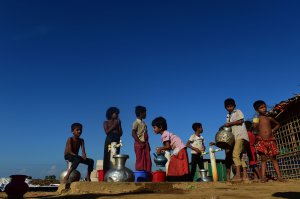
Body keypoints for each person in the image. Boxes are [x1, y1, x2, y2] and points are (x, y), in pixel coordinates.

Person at [252, 100, 284, 182]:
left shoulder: (269, 118)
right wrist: (255, 124)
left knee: (274, 159)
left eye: (264, 107)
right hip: (261, 141)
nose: (264, 109)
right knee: (263, 159)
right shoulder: (257, 119)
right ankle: (263, 177)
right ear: (257, 110)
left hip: (270, 140)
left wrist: (273, 130)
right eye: (261, 108)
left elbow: (278, 124)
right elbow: (254, 129)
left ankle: (279, 177)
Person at [152, 116, 189, 181]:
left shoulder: (164, 134)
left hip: (179, 149)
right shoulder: (165, 133)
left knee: (177, 165)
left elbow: (168, 146)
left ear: (160, 127)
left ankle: (178, 179)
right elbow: (168, 147)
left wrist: (160, 149)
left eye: (154, 127)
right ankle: (177, 178)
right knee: (175, 165)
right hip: (178, 149)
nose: (153, 129)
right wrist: (162, 149)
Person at [223, 98, 249, 181]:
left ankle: (238, 175)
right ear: (225, 107)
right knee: (241, 156)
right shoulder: (228, 116)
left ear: (234, 106)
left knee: (235, 154)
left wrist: (229, 124)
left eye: (231, 106)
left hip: (240, 135)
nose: (230, 108)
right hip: (235, 137)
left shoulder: (238, 111)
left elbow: (241, 121)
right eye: (228, 106)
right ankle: (245, 176)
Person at [132, 106, 152, 172]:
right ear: (141, 113)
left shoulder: (144, 123)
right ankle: (140, 175)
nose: (146, 114)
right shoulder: (136, 123)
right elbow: (133, 134)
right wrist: (140, 142)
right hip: (139, 144)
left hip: (145, 143)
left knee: (147, 159)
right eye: (145, 113)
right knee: (140, 160)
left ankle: (147, 174)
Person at [103, 107, 123, 173]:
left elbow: (121, 133)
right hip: (110, 138)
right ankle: (106, 172)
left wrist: (119, 125)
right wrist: (114, 125)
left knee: (116, 154)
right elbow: (107, 132)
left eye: (118, 114)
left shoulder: (118, 122)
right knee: (108, 155)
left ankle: (115, 171)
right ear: (111, 114)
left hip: (117, 138)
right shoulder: (106, 122)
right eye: (116, 113)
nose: (117, 115)